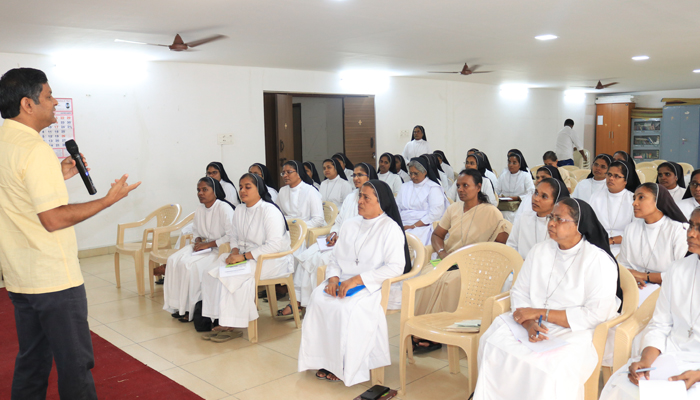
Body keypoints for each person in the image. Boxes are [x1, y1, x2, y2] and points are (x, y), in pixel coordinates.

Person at [0, 67, 140, 399]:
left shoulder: (6, 142)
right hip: (53, 280)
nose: (55, 102)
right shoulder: (35, 150)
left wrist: (56, 175)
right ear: (28, 104)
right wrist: (108, 200)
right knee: (75, 364)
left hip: (21, 276)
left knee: (32, 360)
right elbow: (52, 219)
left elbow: (17, 197)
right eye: (48, 96)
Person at [475, 198, 622, 400]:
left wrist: (539, 314)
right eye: (551, 217)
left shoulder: (598, 261)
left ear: (578, 225)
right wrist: (528, 322)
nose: (551, 223)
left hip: (574, 330)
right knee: (491, 343)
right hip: (531, 322)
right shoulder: (539, 250)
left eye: (559, 219)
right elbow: (519, 291)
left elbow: (595, 314)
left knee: (547, 368)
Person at [298, 180, 410, 385]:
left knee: (346, 308)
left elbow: (395, 267)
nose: (360, 201)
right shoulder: (350, 224)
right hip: (342, 281)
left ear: (381, 202)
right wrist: (332, 279)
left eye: (366, 197)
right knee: (318, 299)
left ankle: (345, 364)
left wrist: (357, 280)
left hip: (373, 286)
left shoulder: (390, 228)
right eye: (360, 196)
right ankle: (326, 359)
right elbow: (335, 258)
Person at [599, 207, 700, 400]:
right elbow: (661, 324)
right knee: (622, 387)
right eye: (691, 226)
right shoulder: (677, 269)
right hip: (671, 354)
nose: (692, 234)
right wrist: (645, 360)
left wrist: (698, 375)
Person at [600, 183, 688, 368]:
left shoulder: (677, 230)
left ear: (658, 201)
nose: (634, 203)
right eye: (634, 198)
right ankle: (611, 365)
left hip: (665, 292)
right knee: (607, 321)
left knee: (637, 331)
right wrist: (631, 277)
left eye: (641, 198)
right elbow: (623, 264)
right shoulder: (632, 228)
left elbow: (680, 274)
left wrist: (644, 276)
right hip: (634, 287)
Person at [200, 174, 293, 342]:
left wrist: (242, 257)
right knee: (210, 272)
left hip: (271, 259)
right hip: (246, 256)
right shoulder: (240, 210)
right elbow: (234, 236)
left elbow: (274, 246)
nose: (242, 190)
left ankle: (232, 324)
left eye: (247, 187)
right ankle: (219, 316)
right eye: (240, 187)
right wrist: (234, 251)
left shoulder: (269, 210)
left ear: (259, 189)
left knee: (231, 275)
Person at [413, 169, 510, 325]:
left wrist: (478, 260)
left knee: (450, 282)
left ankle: (442, 325)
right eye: (458, 186)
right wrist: (442, 253)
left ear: (478, 187)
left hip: (475, 264)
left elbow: (500, 246)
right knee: (427, 275)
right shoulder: (454, 209)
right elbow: (437, 235)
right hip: (449, 259)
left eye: (466, 185)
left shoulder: (491, 212)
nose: (460, 190)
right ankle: (422, 324)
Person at [289, 163, 379, 317]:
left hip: (355, 246)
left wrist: (345, 239)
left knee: (320, 260)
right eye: (354, 175)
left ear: (369, 177)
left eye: (360, 175)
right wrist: (334, 234)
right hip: (340, 241)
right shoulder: (351, 197)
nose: (356, 178)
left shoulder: (377, 198)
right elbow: (339, 222)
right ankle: (299, 301)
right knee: (308, 255)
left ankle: (314, 305)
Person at [163, 177, 235, 321]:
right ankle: (179, 305)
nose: (200, 193)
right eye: (198, 190)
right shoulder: (200, 208)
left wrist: (208, 245)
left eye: (204, 190)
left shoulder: (224, 207)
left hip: (219, 249)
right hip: (202, 247)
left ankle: (192, 309)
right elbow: (196, 231)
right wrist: (197, 241)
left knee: (191, 267)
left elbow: (231, 235)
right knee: (173, 260)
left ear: (214, 191)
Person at [508, 178, 570, 260]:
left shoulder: (561, 225)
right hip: (522, 267)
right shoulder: (524, 218)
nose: (536, 198)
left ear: (556, 202)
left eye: (544, 196)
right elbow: (511, 246)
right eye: (536, 193)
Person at [589, 159, 640, 256]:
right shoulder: (596, 196)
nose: (611, 178)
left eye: (617, 176)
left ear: (625, 181)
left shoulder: (633, 199)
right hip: (598, 244)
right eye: (609, 174)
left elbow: (636, 231)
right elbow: (590, 224)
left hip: (624, 246)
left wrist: (611, 240)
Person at [396, 157, 449, 245]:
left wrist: (413, 226)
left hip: (424, 225)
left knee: (411, 237)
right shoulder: (405, 186)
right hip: (403, 222)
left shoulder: (433, 188)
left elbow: (435, 213)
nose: (412, 176)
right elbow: (397, 207)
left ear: (425, 172)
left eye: (416, 173)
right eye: (411, 173)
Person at [276, 160, 325, 229]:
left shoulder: (310, 191)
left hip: (307, 230)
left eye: (289, 172)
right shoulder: (282, 191)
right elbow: (278, 213)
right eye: (283, 173)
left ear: (299, 173)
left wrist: (298, 227)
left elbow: (318, 220)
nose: (285, 175)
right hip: (287, 229)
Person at [497, 149, 536, 222]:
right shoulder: (504, 175)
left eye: (514, 163)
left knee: (514, 216)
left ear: (519, 165)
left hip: (520, 205)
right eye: (509, 162)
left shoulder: (525, 175)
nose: (511, 165)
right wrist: (498, 196)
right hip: (504, 206)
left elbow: (531, 193)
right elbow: (496, 190)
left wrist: (517, 198)